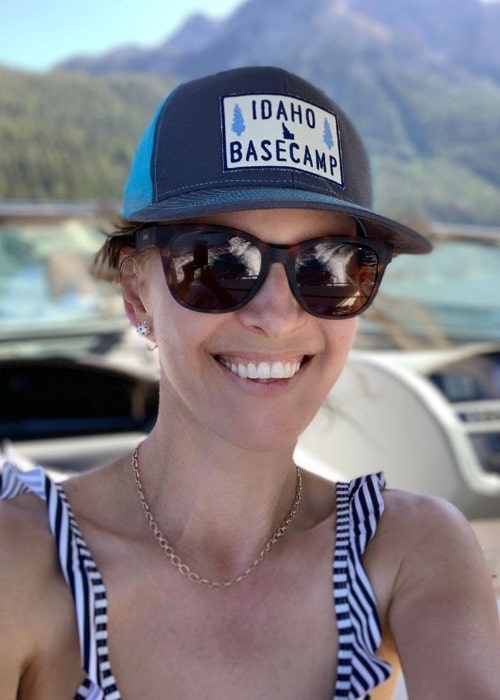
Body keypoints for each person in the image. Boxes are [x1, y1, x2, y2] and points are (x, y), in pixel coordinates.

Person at [0, 66, 499, 700]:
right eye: (216, 262)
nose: (278, 315)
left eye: (329, 266)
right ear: (136, 292)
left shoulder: (410, 551)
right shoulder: (21, 559)